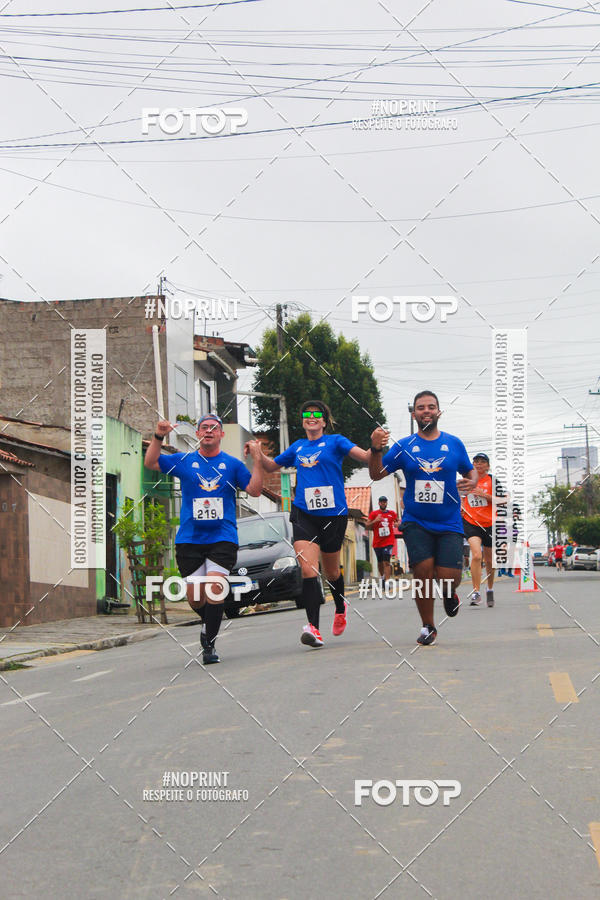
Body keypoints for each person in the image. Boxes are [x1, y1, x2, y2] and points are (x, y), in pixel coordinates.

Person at [145, 414, 263, 664]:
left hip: (222, 537)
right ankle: (210, 620)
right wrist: (158, 436)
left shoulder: (232, 465)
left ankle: (208, 644)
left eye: (214, 428)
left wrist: (258, 460)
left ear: (221, 434)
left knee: (215, 588)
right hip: (190, 539)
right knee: (196, 598)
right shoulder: (184, 461)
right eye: (204, 427)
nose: (209, 431)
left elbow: (254, 490)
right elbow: (151, 462)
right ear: (198, 434)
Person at [251, 400, 368, 649]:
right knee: (308, 570)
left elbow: (365, 457)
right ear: (303, 420)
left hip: (333, 514)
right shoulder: (298, 447)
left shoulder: (336, 442)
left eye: (316, 414)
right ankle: (313, 628)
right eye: (306, 413)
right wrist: (257, 451)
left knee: (332, 572)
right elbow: (271, 466)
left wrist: (376, 449)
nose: (311, 417)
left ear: (324, 421)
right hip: (304, 512)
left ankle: (340, 607)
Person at [369, 390, 477, 646]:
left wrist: (472, 482)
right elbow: (376, 473)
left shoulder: (453, 444)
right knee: (423, 571)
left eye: (431, 407)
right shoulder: (404, 446)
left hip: (449, 520)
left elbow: (470, 471)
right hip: (416, 521)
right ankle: (428, 626)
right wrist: (375, 449)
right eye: (420, 407)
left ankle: (449, 593)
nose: (426, 411)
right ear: (414, 414)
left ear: (438, 412)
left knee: (449, 577)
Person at [461, 452, 506, 608]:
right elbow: (458, 497)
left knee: (489, 561)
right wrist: (460, 507)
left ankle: (490, 588)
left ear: (488, 466)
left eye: (482, 462)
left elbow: (503, 500)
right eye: (476, 462)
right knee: (476, 555)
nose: (479, 464)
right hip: (471, 522)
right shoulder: (467, 480)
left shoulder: (493, 481)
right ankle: (476, 591)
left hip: (489, 523)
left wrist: (485, 496)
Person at [365, 496, 398, 583]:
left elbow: (397, 521)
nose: (383, 503)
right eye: (381, 502)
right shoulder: (374, 514)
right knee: (380, 562)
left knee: (386, 562)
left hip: (389, 541)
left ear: (386, 503)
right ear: (379, 503)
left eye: (385, 502)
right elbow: (367, 526)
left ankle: (387, 581)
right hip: (377, 542)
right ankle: (383, 577)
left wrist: (397, 524)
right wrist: (375, 521)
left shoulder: (392, 513)